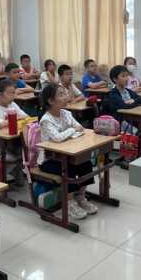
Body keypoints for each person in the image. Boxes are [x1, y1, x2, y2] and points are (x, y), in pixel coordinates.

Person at [39, 84, 97, 219]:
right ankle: (69, 202)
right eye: (61, 94)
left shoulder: (66, 113)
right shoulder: (46, 120)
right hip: (50, 160)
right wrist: (71, 131)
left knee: (86, 163)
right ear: (51, 101)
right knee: (69, 169)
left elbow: (80, 127)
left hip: (67, 154)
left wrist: (71, 131)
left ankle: (81, 197)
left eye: (65, 93)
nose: (66, 96)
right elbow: (57, 138)